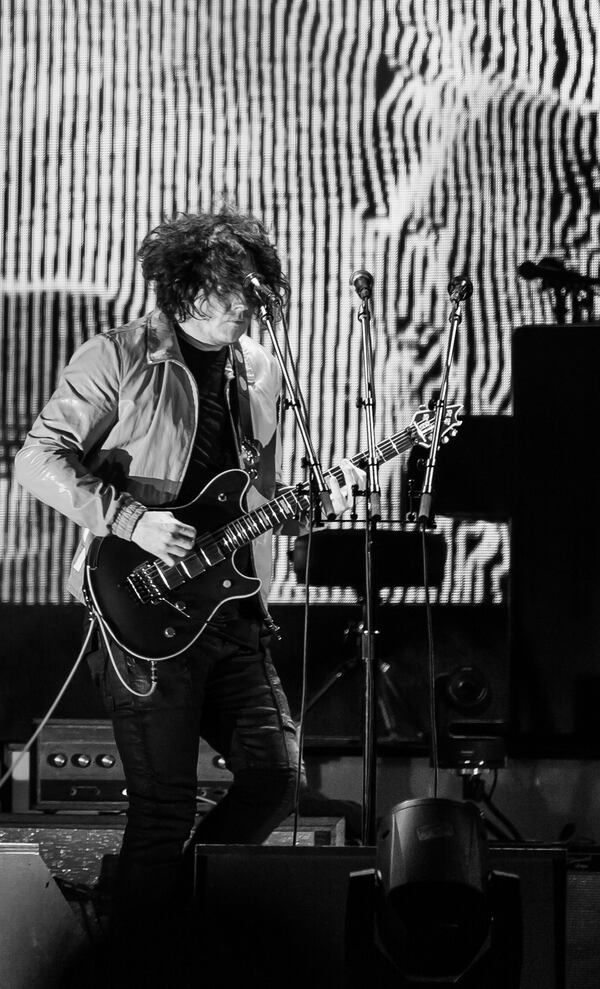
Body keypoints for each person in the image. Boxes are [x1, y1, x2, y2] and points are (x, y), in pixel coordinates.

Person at [14, 209, 364, 986]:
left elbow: (253, 494)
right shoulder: (119, 355)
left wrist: (294, 513)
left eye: (255, 286)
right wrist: (131, 518)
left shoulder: (263, 373)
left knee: (274, 775)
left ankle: (176, 915)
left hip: (232, 609)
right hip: (140, 604)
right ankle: (138, 960)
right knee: (163, 805)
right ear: (186, 288)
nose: (248, 299)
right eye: (232, 286)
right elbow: (37, 459)